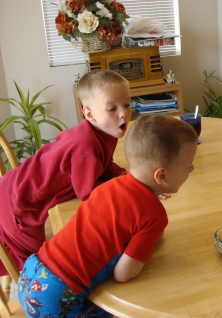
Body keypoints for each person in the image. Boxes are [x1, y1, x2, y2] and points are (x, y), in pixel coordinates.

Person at [17, 114, 198, 317]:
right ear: (161, 175)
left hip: (32, 270)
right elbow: (124, 274)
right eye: (188, 164)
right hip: (58, 293)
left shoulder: (109, 185)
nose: (192, 168)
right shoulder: (154, 215)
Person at [0, 69, 131, 276]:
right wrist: (127, 189)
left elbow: (104, 165)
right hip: (21, 202)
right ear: (89, 114)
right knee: (34, 263)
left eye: (126, 104)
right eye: (111, 109)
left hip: (16, 185)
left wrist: (125, 176)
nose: (123, 113)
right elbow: (87, 193)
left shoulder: (103, 131)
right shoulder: (85, 146)